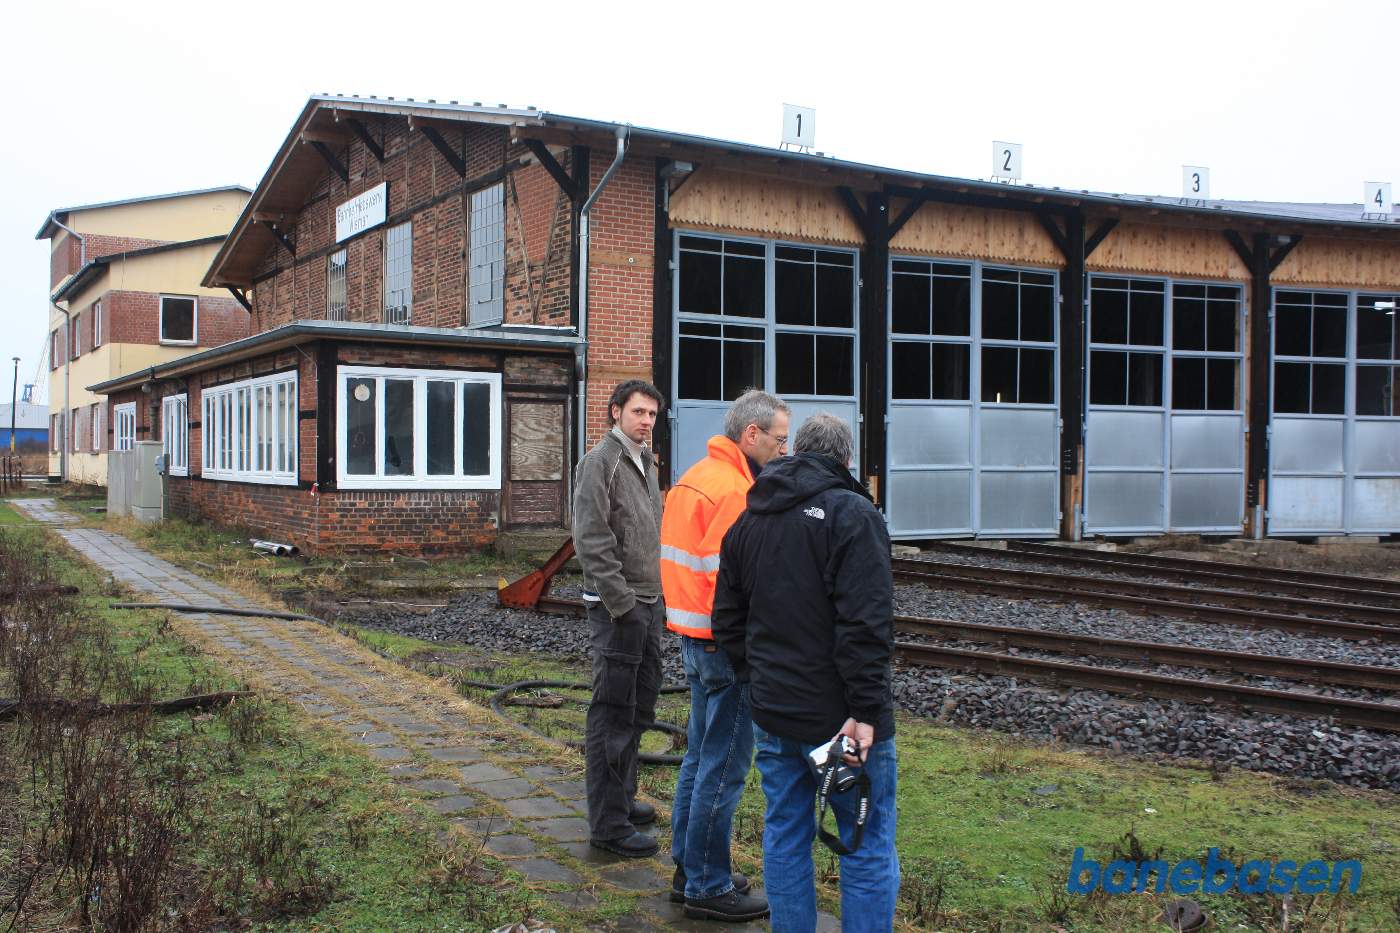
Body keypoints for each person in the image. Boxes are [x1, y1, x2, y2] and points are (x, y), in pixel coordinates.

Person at [713, 413, 900, 932]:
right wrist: (866, 711)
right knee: (864, 840)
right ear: (846, 459)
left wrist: (757, 677)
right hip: (842, 723)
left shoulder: (750, 517)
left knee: (785, 832)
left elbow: (727, 619)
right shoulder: (853, 515)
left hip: (775, 713)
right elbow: (866, 625)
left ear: (795, 451)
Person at [660, 389, 789, 922]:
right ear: (751, 434)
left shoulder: (695, 477)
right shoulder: (735, 491)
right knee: (724, 768)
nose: (784, 450)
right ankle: (708, 886)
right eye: (779, 439)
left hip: (692, 638)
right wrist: (750, 646)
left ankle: (688, 868)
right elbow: (729, 582)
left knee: (698, 759)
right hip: (725, 648)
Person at [572, 379, 666, 857]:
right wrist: (623, 604)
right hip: (619, 610)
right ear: (615, 412)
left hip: (649, 603)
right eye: (638, 412)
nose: (646, 421)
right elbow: (591, 539)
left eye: (652, 414)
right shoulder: (600, 463)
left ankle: (623, 800)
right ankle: (608, 827)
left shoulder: (646, 461)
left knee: (638, 707)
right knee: (612, 713)